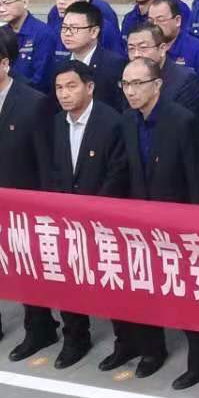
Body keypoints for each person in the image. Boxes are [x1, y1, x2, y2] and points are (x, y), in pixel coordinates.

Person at [119, 57, 199, 388]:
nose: (130, 91)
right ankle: (152, 351)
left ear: (158, 85)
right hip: (141, 224)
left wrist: (195, 230)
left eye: (137, 84)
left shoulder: (182, 121)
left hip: (179, 226)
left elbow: (196, 179)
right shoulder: (127, 120)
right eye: (125, 84)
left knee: (190, 296)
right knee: (145, 289)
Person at [0, 34, 58, 360]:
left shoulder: (33, 103)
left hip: (23, 206)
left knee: (28, 271)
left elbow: (45, 161)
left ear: (5, 64)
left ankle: (39, 328)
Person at [45, 61, 128, 370]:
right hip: (66, 220)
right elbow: (54, 169)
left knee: (113, 284)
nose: (64, 94)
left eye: (71, 86)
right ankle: (75, 338)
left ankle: (126, 343)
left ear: (89, 87)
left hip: (104, 221)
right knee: (68, 280)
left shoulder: (111, 122)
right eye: (59, 88)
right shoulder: (56, 123)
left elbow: (117, 172)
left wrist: (94, 213)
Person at [58, 0, 127, 111]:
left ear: (94, 32)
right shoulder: (60, 66)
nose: (67, 33)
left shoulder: (114, 65)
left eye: (74, 28)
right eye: (64, 27)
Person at [125, 23, 199, 118]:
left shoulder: (185, 79)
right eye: (131, 49)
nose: (136, 54)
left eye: (143, 48)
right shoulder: (127, 78)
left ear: (162, 49)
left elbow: (184, 121)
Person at [0, 0, 58, 95]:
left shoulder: (43, 34)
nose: (2, 9)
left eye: (7, 3)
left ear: (25, 2)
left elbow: (41, 80)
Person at [148, 0, 199, 90]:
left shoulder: (198, 52)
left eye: (160, 20)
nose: (155, 25)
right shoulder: (146, 49)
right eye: (151, 21)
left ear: (177, 21)